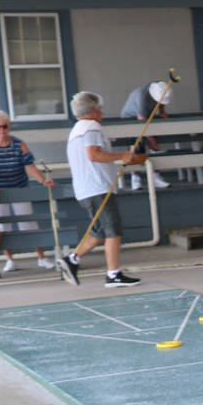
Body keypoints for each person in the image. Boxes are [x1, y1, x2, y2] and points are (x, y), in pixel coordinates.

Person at [60, 91, 147, 287]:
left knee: (99, 231)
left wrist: (121, 158)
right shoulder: (91, 126)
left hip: (86, 189)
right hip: (97, 188)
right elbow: (94, 154)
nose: (102, 112)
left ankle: (72, 259)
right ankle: (113, 274)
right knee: (113, 230)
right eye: (99, 108)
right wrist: (122, 156)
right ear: (92, 110)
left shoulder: (76, 130)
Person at [0, 110, 57, 273]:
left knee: (29, 223)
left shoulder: (19, 143)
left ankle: (41, 257)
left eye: (4, 126)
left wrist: (42, 180)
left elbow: (29, 166)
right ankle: (10, 259)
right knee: (3, 225)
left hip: (19, 187)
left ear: (9, 126)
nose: (1, 130)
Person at [116, 80, 170, 190]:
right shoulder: (142, 96)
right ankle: (135, 178)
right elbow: (142, 124)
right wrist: (152, 142)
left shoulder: (159, 87)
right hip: (130, 119)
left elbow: (161, 102)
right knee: (136, 147)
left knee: (154, 148)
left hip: (146, 118)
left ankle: (156, 176)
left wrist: (162, 111)